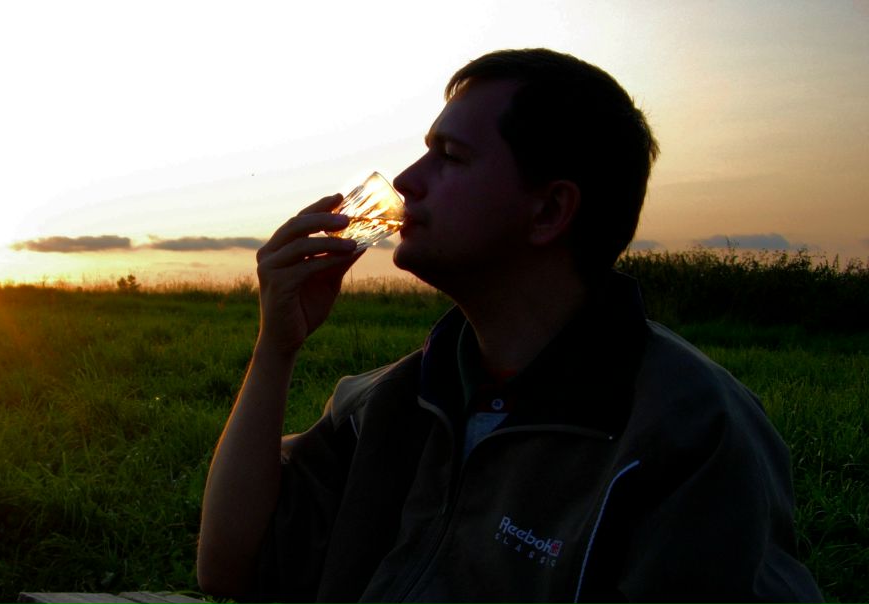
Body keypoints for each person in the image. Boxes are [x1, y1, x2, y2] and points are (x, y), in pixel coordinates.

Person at [196, 48, 823, 603]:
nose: (407, 182)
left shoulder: (691, 431)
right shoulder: (389, 402)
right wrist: (276, 346)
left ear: (548, 210)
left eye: (449, 156)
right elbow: (228, 568)